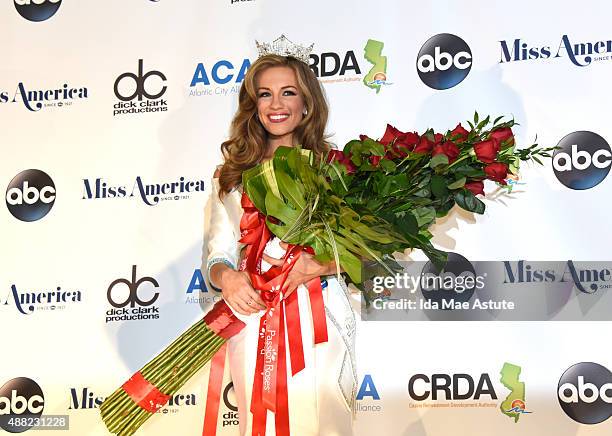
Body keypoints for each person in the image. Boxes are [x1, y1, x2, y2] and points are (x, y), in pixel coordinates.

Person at [204, 51, 357, 436]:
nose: (276, 104)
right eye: (265, 94)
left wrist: (315, 266)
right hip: (253, 311)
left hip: (322, 315)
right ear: (253, 106)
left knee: (326, 422)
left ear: (306, 104)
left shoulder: (336, 169)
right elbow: (217, 252)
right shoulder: (230, 176)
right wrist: (228, 279)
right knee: (260, 424)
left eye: (288, 92)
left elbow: (363, 252)